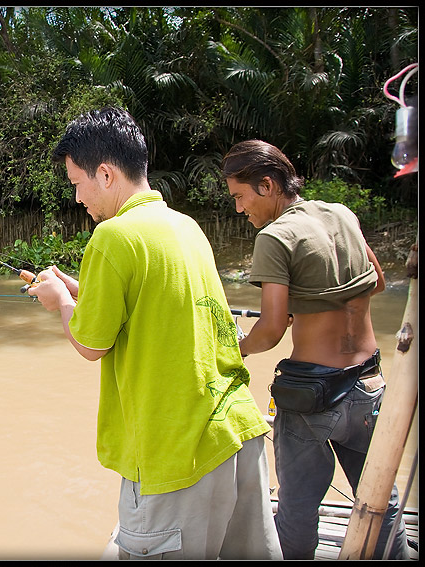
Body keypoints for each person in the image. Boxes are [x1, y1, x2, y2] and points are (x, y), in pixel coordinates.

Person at [27, 107, 281, 560]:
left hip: (176, 455)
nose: (78, 197)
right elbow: (156, 307)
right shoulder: (184, 226)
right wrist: (83, 291)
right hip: (236, 436)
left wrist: (61, 303)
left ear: (104, 174)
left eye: (76, 184)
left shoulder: (113, 236)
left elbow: (91, 343)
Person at [221, 139, 409, 560]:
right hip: (368, 386)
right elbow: (376, 284)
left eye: (239, 196)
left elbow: (269, 331)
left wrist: (238, 349)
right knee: (382, 498)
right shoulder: (341, 214)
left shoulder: (275, 236)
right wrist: (309, 302)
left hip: (311, 398)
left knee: (297, 508)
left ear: (267, 185)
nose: (238, 208)